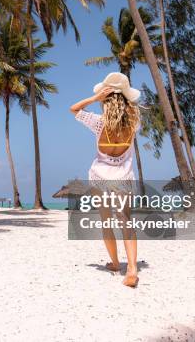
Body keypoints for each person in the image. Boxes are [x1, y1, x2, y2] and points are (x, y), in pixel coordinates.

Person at [70, 72, 141, 288]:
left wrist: (94, 99)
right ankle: (132, 269)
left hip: (99, 176)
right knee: (126, 222)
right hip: (123, 177)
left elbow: (74, 109)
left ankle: (115, 263)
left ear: (105, 97)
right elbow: (130, 111)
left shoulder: (98, 123)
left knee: (106, 221)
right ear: (126, 98)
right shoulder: (135, 122)